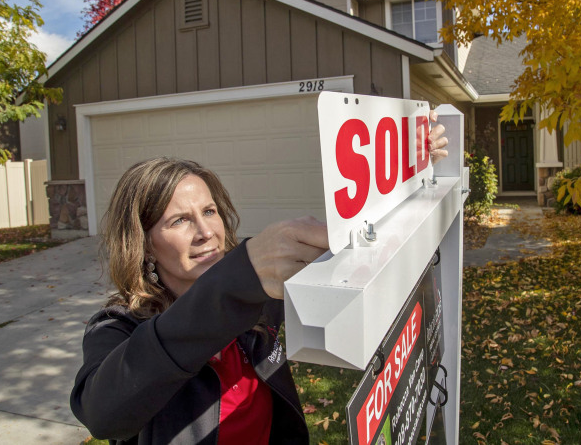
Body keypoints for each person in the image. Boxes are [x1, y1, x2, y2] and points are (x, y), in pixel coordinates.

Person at [70, 112, 449, 444]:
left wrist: (406, 165)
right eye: (180, 220)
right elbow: (103, 415)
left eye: (210, 211)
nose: (206, 232)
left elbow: (358, 242)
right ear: (145, 245)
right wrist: (238, 281)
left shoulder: (257, 296)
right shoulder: (117, 328)